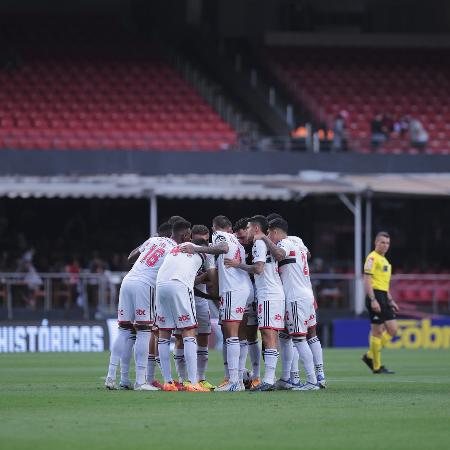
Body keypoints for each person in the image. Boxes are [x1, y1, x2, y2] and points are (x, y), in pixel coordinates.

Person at [155, 220, 227, 392]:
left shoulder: (178, 247)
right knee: (189, 332)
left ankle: (168, 382)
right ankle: (194, 382)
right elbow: (212, 277)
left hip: (160, 286)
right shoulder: (205, 252)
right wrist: (216, 294)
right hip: (180, 286)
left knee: (164, 333)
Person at [105, 230, 177, 391]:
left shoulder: (153, 240)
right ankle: (140, 381)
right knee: (144, 331)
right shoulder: (175, 248)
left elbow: (131, 255)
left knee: (124, 331)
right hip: (144, 285)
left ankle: (113, 377)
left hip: (128, 280)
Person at [259, 218, 320, 390]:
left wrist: (264, 239)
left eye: (270, 233)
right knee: (290, 337)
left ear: (275, 231)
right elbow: (307, 255)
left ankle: (312, 381)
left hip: (295, 297)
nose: (269, 236)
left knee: (300, 340)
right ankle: (289, 379)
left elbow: (279, 254)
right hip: (305, 293)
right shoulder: (297, 242)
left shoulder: (285, 243)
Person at [225, 215, 284, 391]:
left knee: (267, 334)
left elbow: (258, 269)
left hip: (268, 293)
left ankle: (268, 380)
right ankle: (269, 379)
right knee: (271, 335)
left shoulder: (259, 243)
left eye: (249, 228)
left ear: (256, 229)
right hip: (274, 293)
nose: (248, 231)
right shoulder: (265, 243)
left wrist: (237, 264)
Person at [172, 224, 218, 391]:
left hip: (201, 301)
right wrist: (205, 277)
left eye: (205, 240)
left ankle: (201, 378)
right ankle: (183, 379)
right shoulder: (185, 252)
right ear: (191, 238)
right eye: (198, 240)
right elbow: (187, 280)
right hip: (184, 299)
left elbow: (213, 280)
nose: (202, 243)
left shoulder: (210, 252)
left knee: (204, 337)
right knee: (180, 338)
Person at [211, 215, 252, 392]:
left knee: (231, 334)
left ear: (214, 228)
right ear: (230, 228)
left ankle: (234, 381)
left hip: (232, 290)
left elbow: (222, 248)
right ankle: (240, 379)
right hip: (245, 289)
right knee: (239, 335)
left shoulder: (220, 236)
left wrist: (197, 248)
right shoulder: (237, 241)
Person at [362, 231, 399, 374]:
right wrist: (372, 299)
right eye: (382, 242)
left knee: (393, 330)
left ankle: (370, 356)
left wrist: (391, 300)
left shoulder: (385, 261)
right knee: (377, 332)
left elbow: (385, 284)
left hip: (383, 296)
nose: (385, 245)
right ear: (376, 242)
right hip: (375, 296)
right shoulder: (372, 258)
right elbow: (367, 280)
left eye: (387, 243)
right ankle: (376, 367)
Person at [233, 217, 261, 390]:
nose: (241, 241)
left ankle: (257, 376)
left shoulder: (258, 245)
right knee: (245, 335)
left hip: (260, 294)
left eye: (242, 238)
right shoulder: (238, 247)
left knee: (259, 336)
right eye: (238, 238)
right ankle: (243, 374)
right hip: (245, 295)